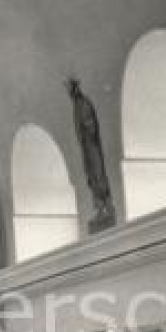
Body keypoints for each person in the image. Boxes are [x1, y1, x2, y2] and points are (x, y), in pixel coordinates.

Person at [66, 79, 115, 230]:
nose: (69, 94)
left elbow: (90, 125)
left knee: (98, 174)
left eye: (70, 89)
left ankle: (107, 205)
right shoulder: (76, 106)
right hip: (86, 148)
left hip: (92, 146)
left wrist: (88, 133)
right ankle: (99, 207)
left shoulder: (84, 104)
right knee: (91, 178)